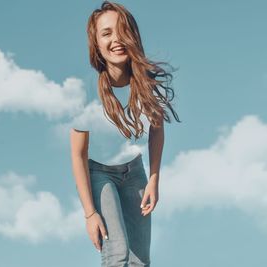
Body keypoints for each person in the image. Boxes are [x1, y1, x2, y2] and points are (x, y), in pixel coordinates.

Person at [70, 1, 180, 266]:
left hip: (134, 172)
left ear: (133, 36)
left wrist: (153, 178)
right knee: (117, 252)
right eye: (106, 33)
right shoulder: (87, 91)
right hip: (99, 173)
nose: (116, 39)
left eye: (122, 31)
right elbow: (78, 153)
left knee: (140, 260)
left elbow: (156, 132)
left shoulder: (147, 85)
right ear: (96, 43)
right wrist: (90, 214)